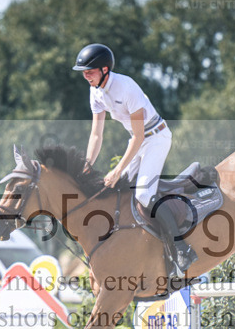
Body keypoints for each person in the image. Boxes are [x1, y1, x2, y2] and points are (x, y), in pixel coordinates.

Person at [72, 43, 196, 276]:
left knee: (142, 195)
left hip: (156, 137)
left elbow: (140, 136)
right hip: (137, 141)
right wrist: (87, 165)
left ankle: (181, 248)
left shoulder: (126, 87)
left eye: (90, 70)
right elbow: (96, 134)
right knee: (117, 192)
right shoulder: (95, 91)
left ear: (105, 69)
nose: (85, 75)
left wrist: (118, 169)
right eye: (83, 72)